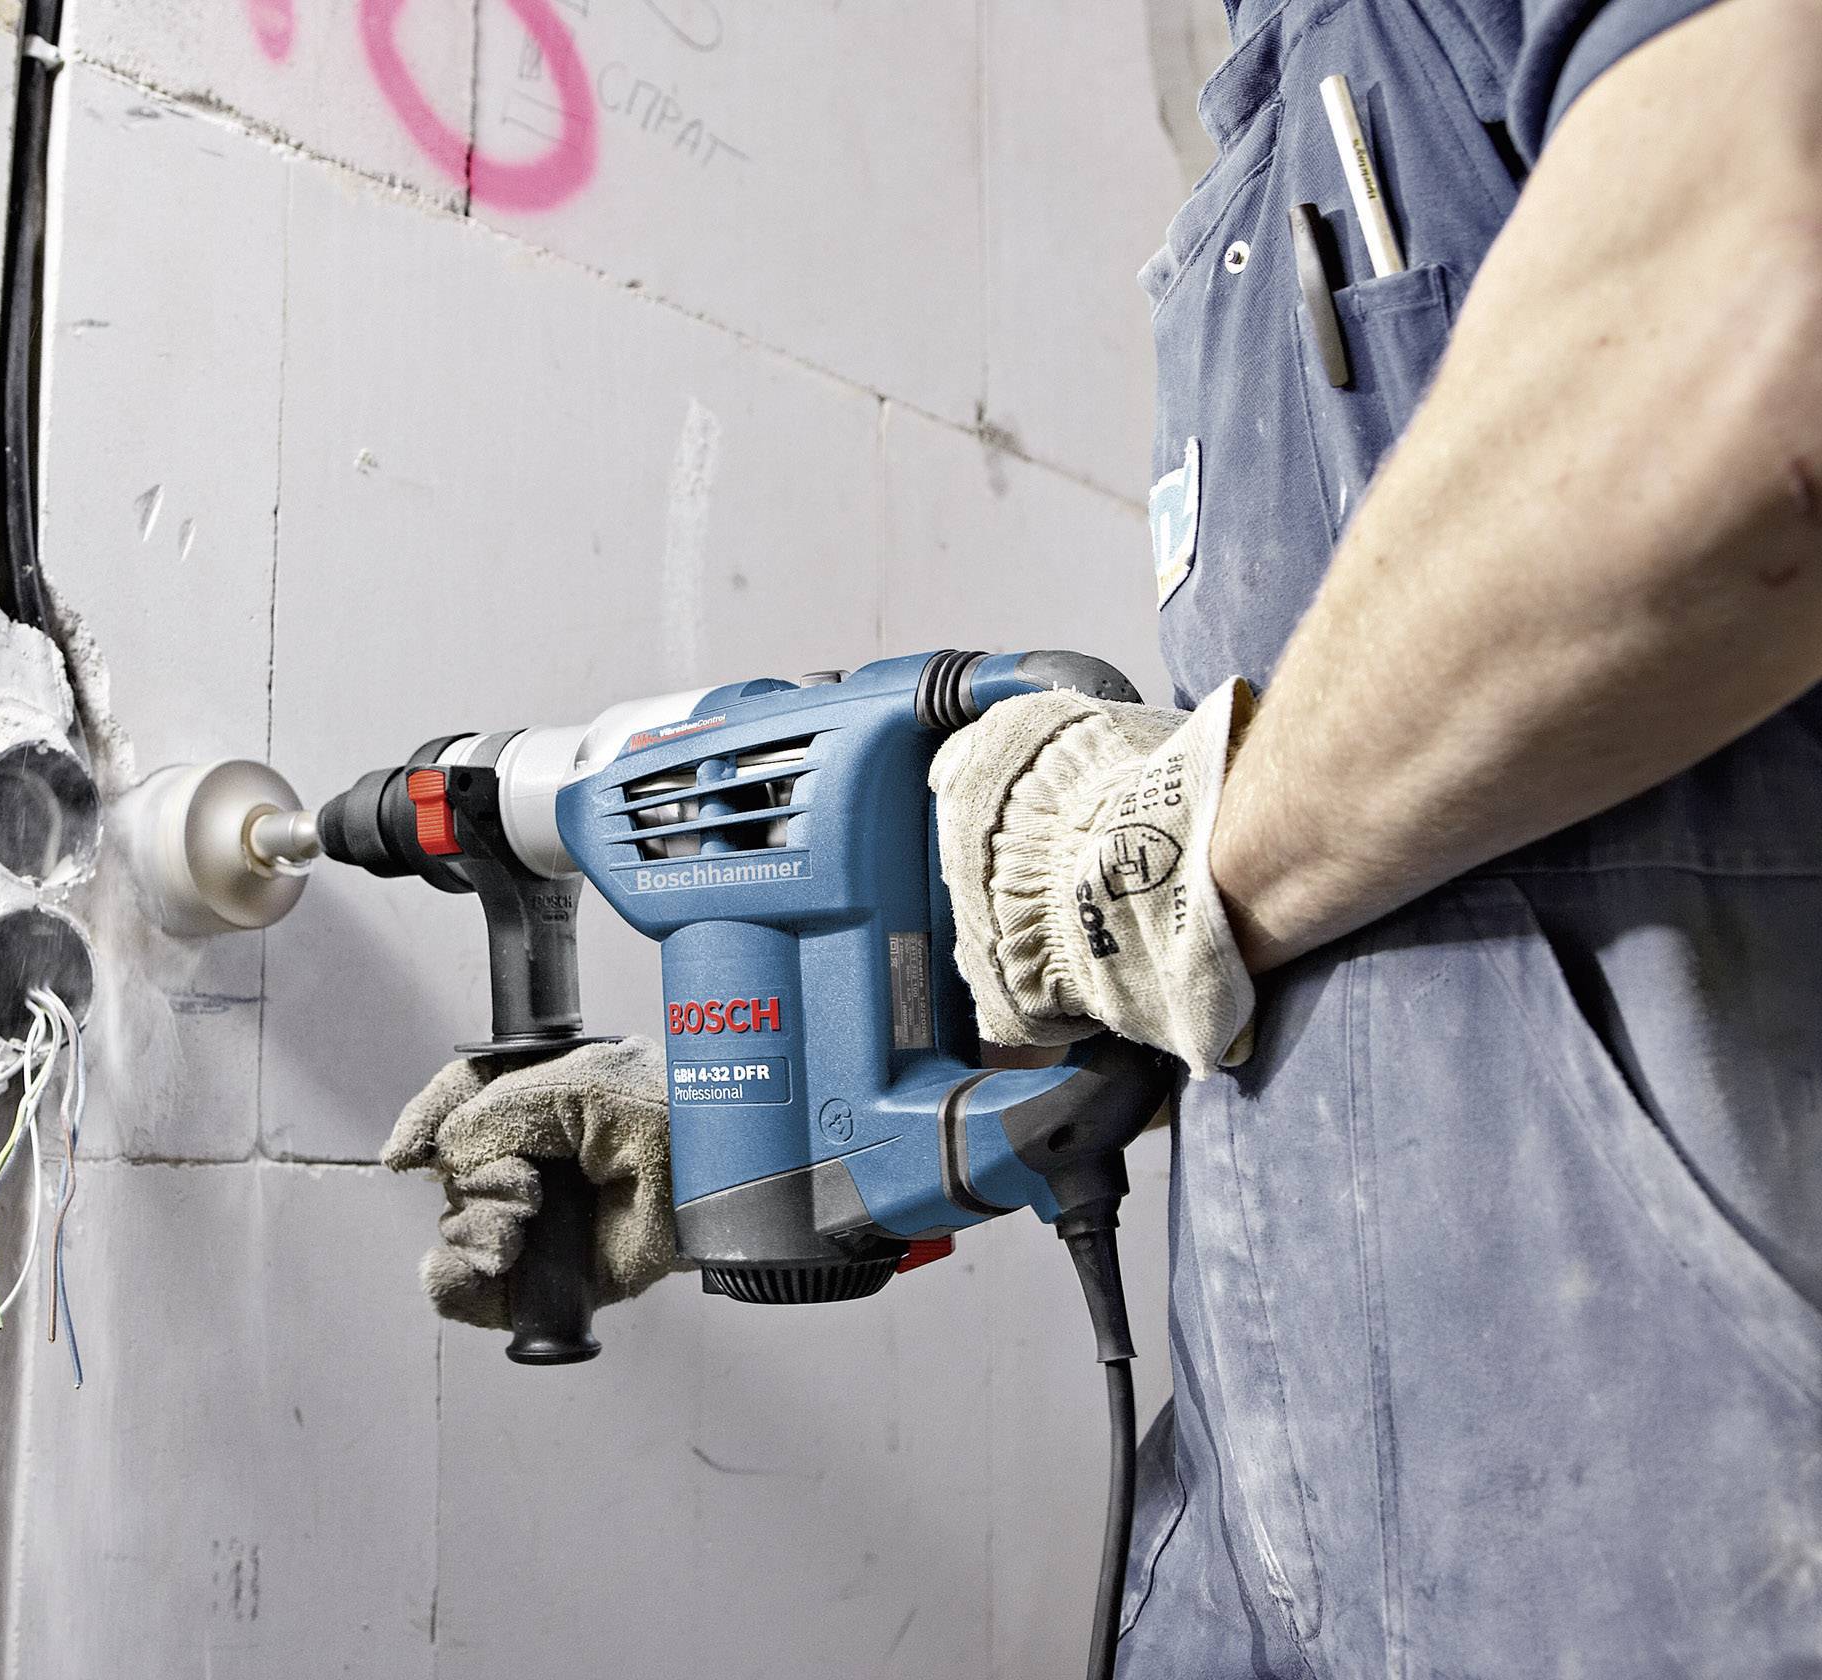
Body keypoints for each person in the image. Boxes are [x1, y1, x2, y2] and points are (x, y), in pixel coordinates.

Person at [387, 0, 1822, 1670]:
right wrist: (768, 1107)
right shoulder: (1259, 135)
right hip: (1254, 1554)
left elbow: (1748, 364)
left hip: (1679, 1549)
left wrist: (1139, 855)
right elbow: (1354, 904)